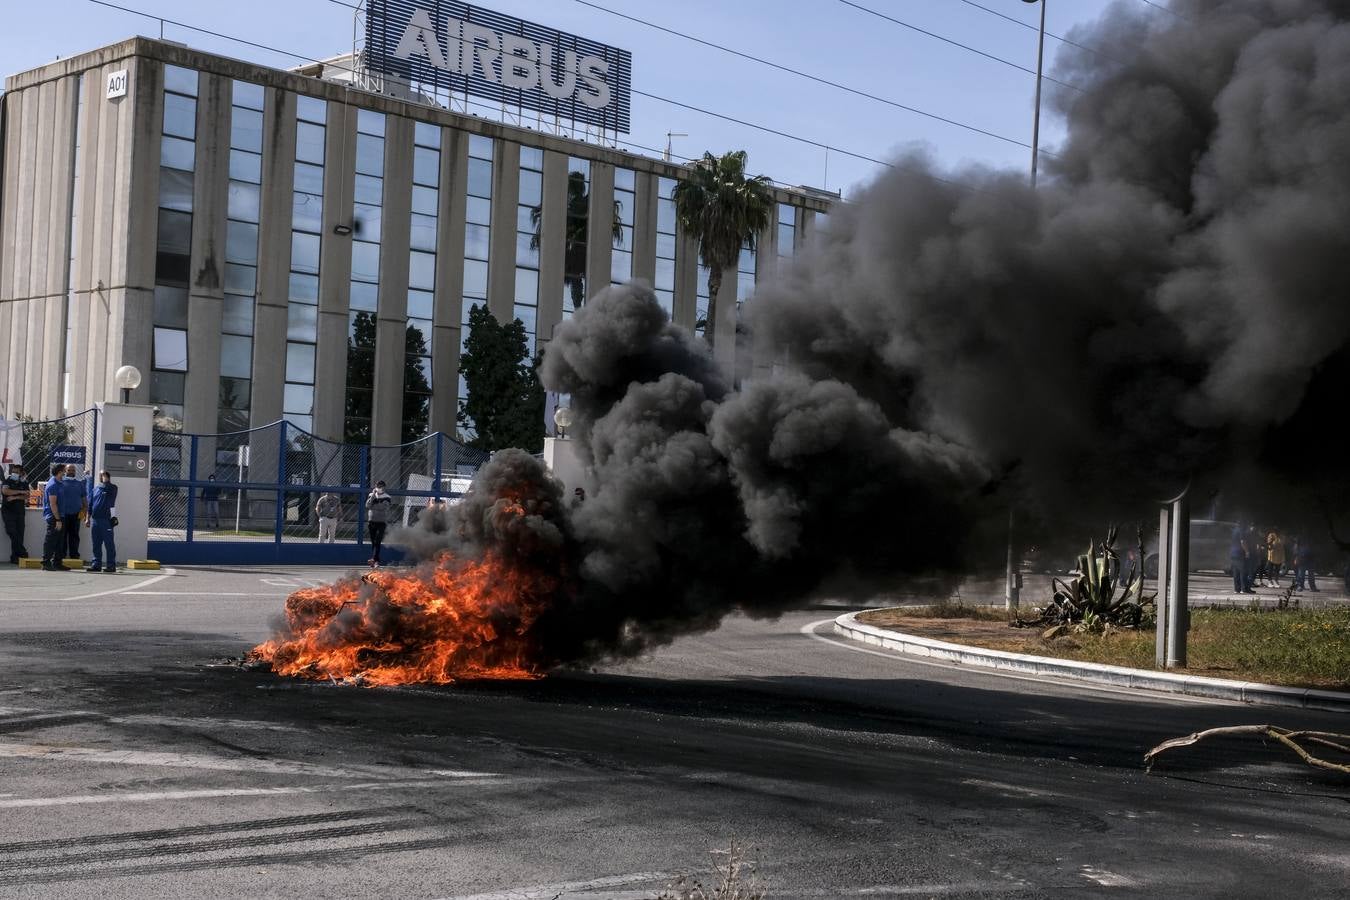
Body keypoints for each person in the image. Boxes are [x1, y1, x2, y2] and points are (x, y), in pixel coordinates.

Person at [84, 470, 118, 573]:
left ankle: (111, 566)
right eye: (101, 475)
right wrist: (87, 518)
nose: (102, 477)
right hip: (95, 520)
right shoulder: (95, 490)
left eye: (104, 475)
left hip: (106, 520)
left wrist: (106, 480)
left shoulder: (112, 488)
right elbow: (90, 505)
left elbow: (110, 492)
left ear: (108, 477)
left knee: (109, 544)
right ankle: (96, 565)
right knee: (96, 544)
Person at [40, 464, 68, 572]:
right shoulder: (53, 485)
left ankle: (57, 563)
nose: (65, 473)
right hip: (54, 517)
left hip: (60, 516)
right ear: (60, 472)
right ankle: (46, 562)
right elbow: (53, 504)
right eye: (64, 471)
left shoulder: (60, 483)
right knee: (51, 540)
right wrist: (58, 520)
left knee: (59, 541)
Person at [2, 463, 30, 564]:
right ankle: (22, 552)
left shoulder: (24, 482)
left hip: (20, 512)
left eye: (16, 472)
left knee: (20, 534)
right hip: (8, 511)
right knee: (11, 531)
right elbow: (5, 491)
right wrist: (20, 492)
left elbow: (27, 496)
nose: (14, 473)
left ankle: (16, 557)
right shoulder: (8, 480)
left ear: (21, 473)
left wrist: (15, 497)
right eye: (13, 471)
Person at [365, 480, 393, 567]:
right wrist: (373, 495)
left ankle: (375, 560)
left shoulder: (387, 497)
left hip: (381, 522)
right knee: (373, 542)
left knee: (378, 541)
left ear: (384, 487)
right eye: (378, 486)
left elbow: (383, 507)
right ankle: (375, 560)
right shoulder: (371, 495)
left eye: (381, 486)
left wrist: (374, 506)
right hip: (371, 521)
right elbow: (368, 505)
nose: (379, 488)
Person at [62, 464, 85, 562]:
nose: (71, 472)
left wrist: (84, 511)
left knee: (74, 536)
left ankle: (74, 556)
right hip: (63, 514)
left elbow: (84, 498)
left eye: (73, 470)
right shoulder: (60, 482)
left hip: (76, 514)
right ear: (65, 471)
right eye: (69, 470)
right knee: (62, 536)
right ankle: (61, 556)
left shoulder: (80, 484)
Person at [1229, 523, 1251, 594]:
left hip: (1233, 553)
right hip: (1240, 553)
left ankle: (1237, 589)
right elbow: (1242, 542)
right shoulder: (1241, 531)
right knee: (1243, 571)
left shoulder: (1234, 530)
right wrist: (1247, 551)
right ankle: (1243, 589)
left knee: (1236, 572)